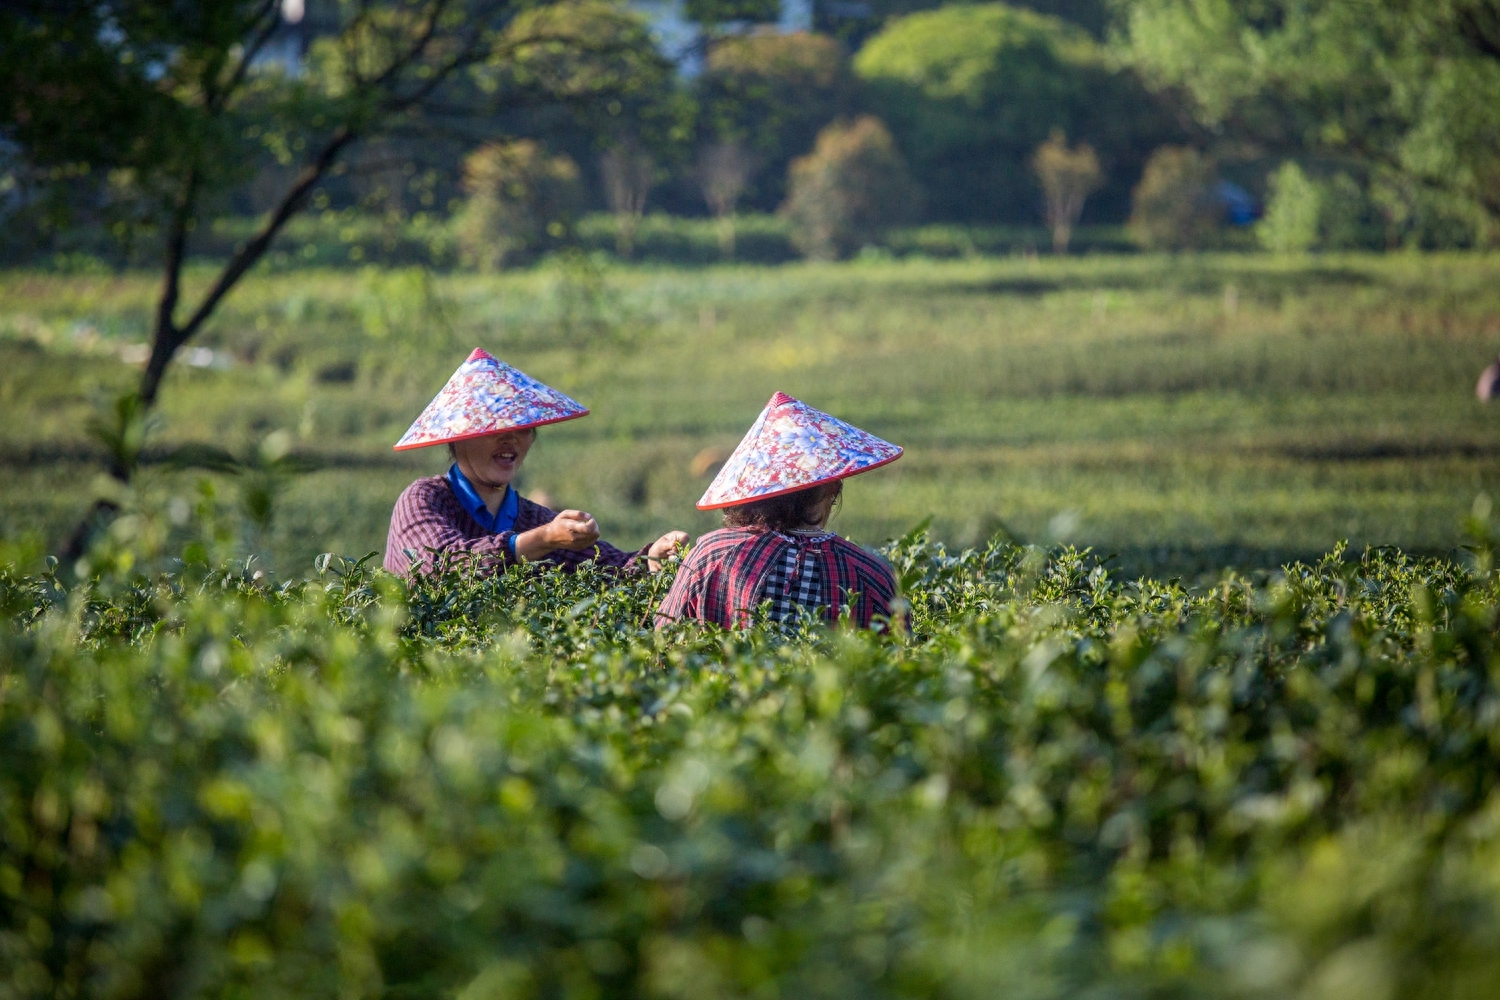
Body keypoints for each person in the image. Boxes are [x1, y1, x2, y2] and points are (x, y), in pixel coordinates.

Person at [384, 348, 687, 576]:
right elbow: (442, 568)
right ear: (460, 437)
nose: (511, 439)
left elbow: (612, 568)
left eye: (524, 429)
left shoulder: (534, 519)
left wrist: (653, 559)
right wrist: (543, 540)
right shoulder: (424, 499)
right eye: (497, 429)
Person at [656, 391, 902, 630]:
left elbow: (662, 642)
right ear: (833, 489)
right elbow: (903, 659)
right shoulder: (870, 574)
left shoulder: (712, 555)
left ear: (750, 490)